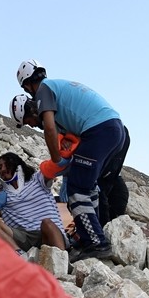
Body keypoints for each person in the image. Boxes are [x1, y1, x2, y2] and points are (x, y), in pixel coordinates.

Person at [11, 59, 127, 257]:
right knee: (89, 185)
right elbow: (71, 152)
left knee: (76, 188)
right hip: (114, 129)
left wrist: (54, 160)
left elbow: (48, 129)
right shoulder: (59, 96)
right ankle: (91, 235)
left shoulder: (44, 90)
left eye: (29, 121)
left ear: (28, 86)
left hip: (99, 130)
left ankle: (96, 242)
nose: (32, 125)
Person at [0, 151, 68, 253]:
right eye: (0, 167)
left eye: (7, 164)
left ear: (17, 165)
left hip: (47, 235)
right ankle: (20, 255)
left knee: (47, 223)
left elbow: (55, 165)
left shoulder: (37, 179)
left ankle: (62, 260)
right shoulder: (3, 195)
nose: (3, 169)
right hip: (24, 238)